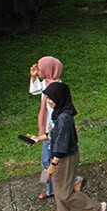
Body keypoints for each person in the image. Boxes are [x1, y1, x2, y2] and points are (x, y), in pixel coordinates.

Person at [29, 81, 107, 211]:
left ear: (59, 97)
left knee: (65, 193)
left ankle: (95, 210)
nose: (48, 101)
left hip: (64, 158)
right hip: (60, 157)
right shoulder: (60, 113)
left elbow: (61, 145)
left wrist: (53, 165)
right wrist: (39, 138)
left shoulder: (64, 118)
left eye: (50, 98)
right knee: (59, 190)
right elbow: (55, 134)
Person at [28, 57, 83, 200]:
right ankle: (53, 188)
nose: (38, 71)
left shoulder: (56, 90)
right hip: (50, 130)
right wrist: (33, 77)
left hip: (54, 130)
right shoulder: (48, 85)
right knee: (47, 161)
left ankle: (67, 184)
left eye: (40, 69)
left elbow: (59, 121)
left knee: (49, 161)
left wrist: (47, 134)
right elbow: (35, 91)